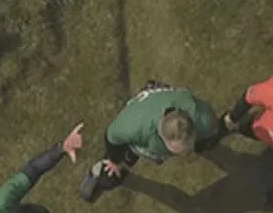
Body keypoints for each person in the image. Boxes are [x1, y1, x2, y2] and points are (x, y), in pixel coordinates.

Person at [79, 81, 219, 202]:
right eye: (176, 149)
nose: (183, 154)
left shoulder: (204, 119)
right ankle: (99, 175)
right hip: (139, 123)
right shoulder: (132, 127)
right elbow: (111, 137)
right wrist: (114, 161)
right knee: (112, 172)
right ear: (162, 136)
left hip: (159, 114)